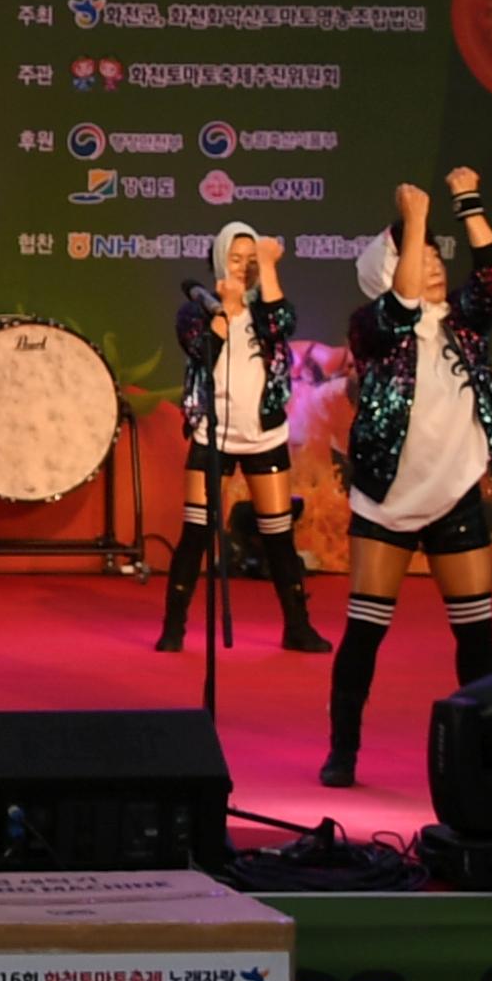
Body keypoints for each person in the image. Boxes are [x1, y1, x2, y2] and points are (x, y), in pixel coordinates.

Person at [319, 173, 492, 788]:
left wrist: (468, 204)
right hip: (387, 496)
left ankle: (490, 752)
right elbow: (399, 308)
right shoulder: (371, 327)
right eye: (415, 256)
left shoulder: (464, 324)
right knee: (365, 630)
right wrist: (413, 218)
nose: (430, 264)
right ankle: (343, 750)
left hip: (455, 494)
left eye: (432, 256)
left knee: (476, 636)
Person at [158, 222, 329, 657]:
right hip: (212, 433)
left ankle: (297, 626)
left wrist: (268, 268)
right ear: (218, 261)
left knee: (278, 534)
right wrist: (224, 314)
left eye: (252, 261)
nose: (245, 268)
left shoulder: (266, 309)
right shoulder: (195, 312)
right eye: (237, 260)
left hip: (263, 434)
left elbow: (282, 322)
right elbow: (202, 352)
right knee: (196, 533)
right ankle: (173, 626)